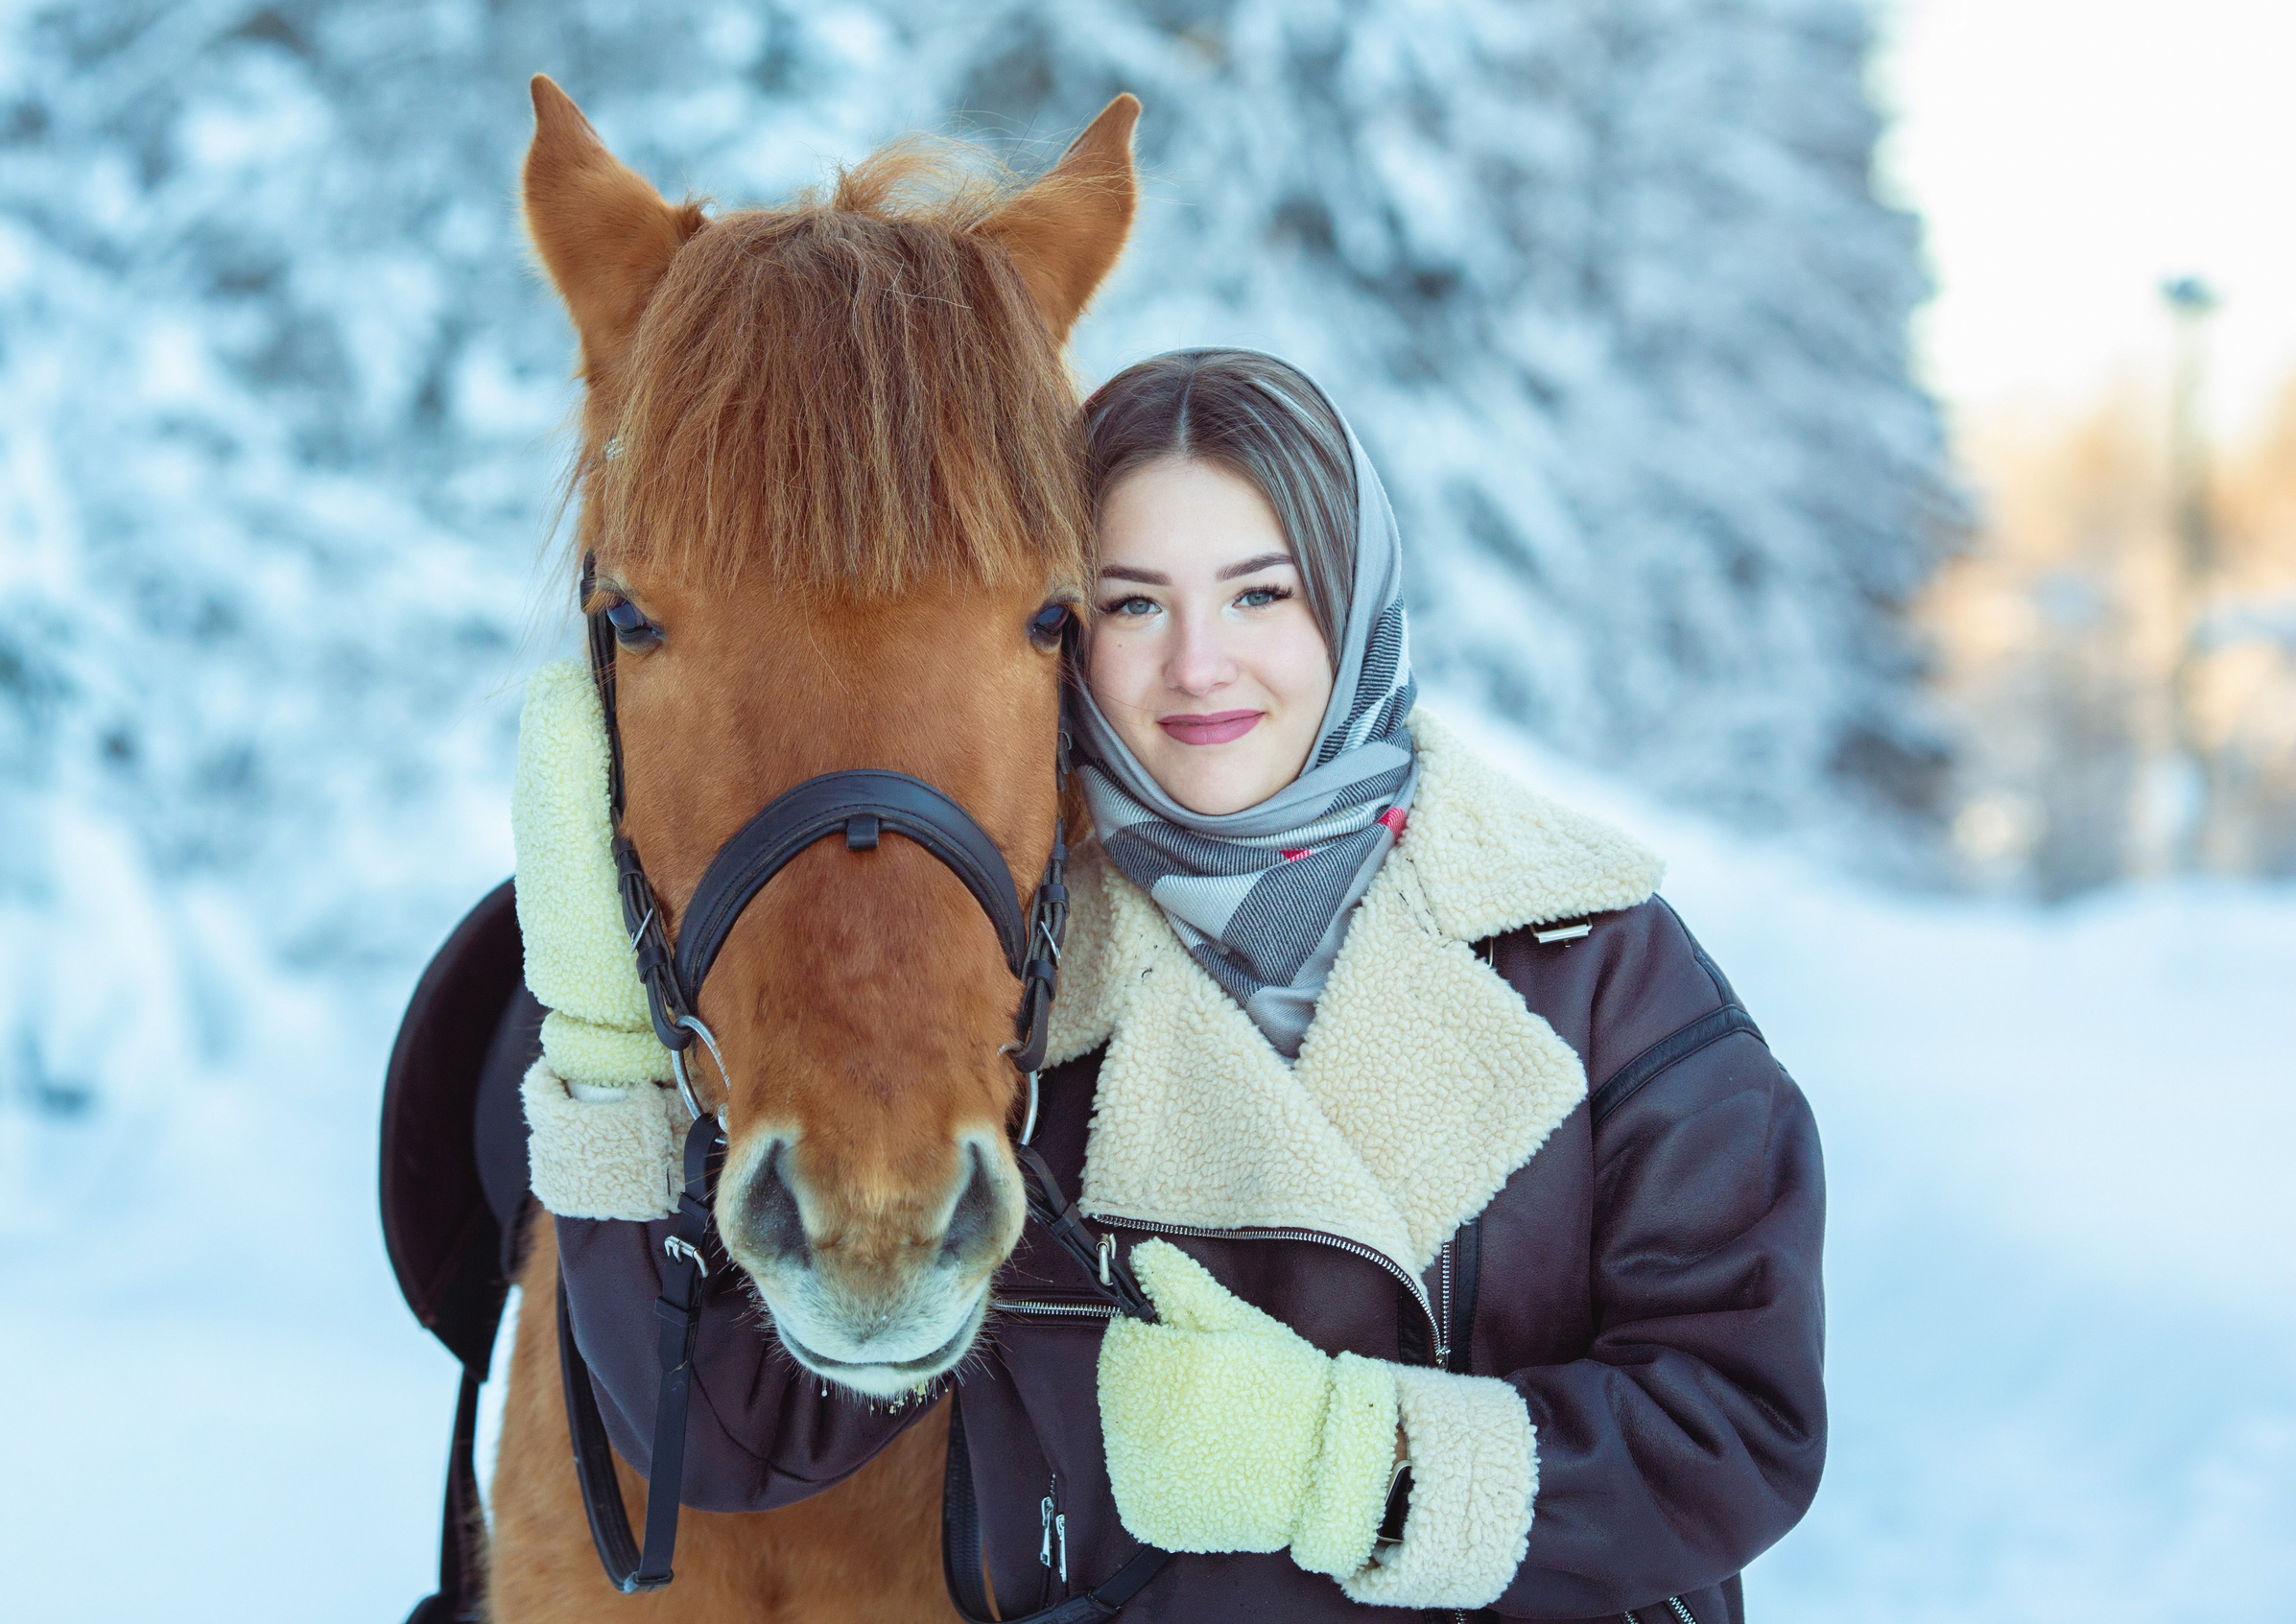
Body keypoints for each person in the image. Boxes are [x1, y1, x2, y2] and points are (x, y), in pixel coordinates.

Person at [551, 347, 1825, 1623]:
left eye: (1261, 593)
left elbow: (1735, 1427)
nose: (1200, 665)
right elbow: (732, 1434)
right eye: (1134, 605)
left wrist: (1342, 1468)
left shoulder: (1589, 957)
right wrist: (608, 1042)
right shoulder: (1011, 1007)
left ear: (1351, 598)